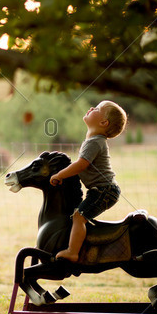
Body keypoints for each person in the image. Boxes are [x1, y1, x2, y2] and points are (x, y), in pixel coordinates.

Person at [50, 100, 127, 262]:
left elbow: (80, 166)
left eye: (97, 109)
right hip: (101, 190)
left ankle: (73, 251)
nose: (91, 108)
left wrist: (60, 175)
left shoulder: (95, 142)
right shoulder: (94, 141)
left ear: (103, 122)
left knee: (79, 216)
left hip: (104, 191)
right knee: (80, 215)